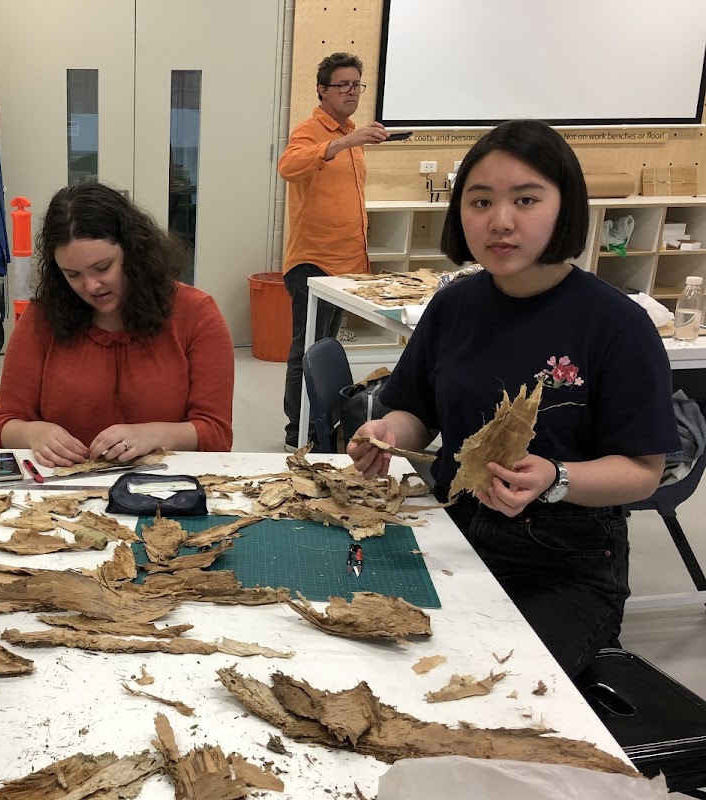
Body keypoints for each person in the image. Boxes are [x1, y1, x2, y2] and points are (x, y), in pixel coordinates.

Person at [347, 119, 678, 678]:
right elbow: (417, 412)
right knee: (371, 661)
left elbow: (643, 471)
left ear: (563, 204)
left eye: (526, 199)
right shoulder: (455, 305)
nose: (500, 221)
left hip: (563, 564)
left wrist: (556, 477)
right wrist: (388, 436)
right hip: (450, 531)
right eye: (480, 202)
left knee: (493, 689)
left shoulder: (616, 324)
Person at [0, 182, 234, 468]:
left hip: (166, 490)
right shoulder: (41, 318)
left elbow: (216, 434)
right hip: (65, 493)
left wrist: (154, 434)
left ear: (133, 250)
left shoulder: (196, 314)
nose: (91, 286)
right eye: (73, 274)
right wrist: (34, 433)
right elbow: (2, 425)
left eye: (103, 268)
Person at [278, 52, 388, 450]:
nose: (351, 92)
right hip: (313, 261)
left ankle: (322, 422)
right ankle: (299, 432)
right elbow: (288, 166)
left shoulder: (352, 134)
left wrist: (350, 138)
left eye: (356, 84)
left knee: (326, 347)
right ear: (322, 89)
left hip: (345, 265)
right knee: (305, 349)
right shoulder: (312, 130)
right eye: (342, 85)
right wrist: (343, 141)